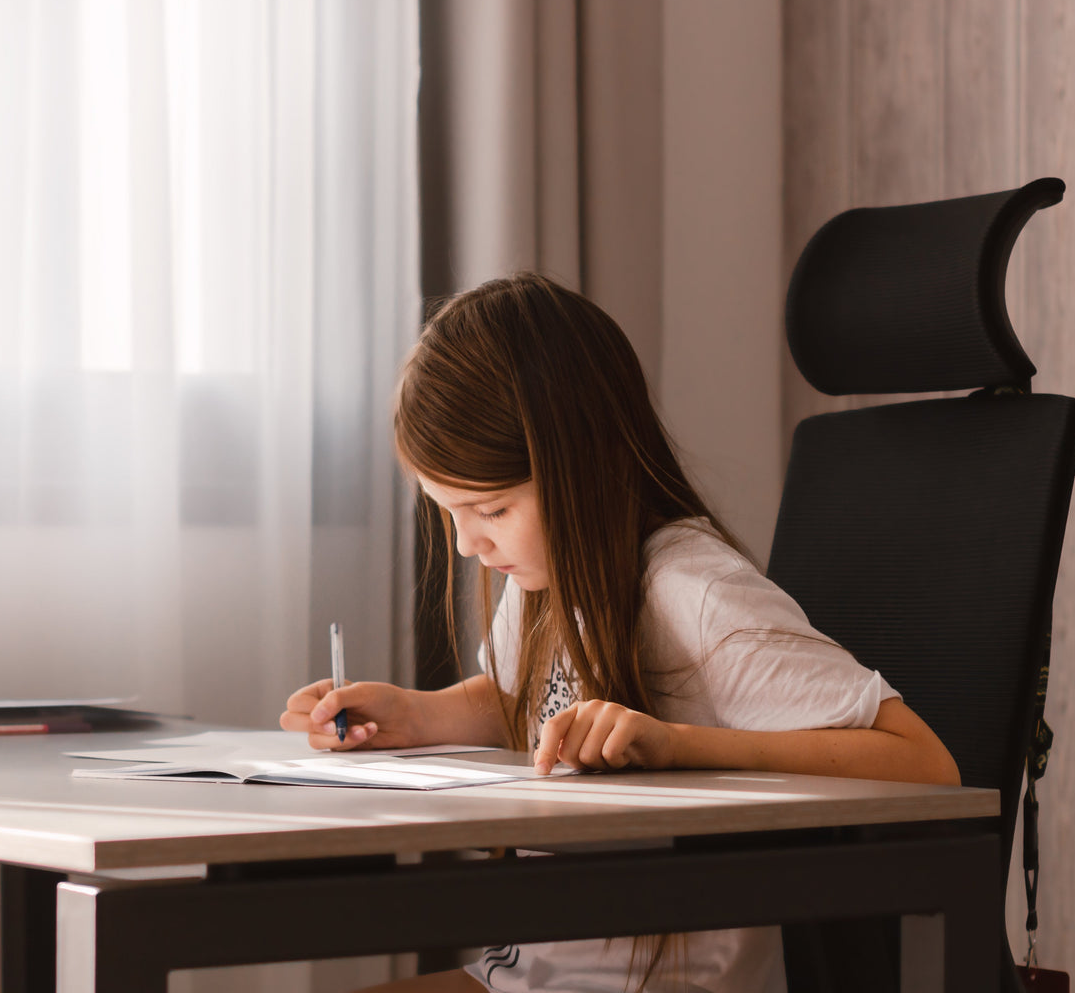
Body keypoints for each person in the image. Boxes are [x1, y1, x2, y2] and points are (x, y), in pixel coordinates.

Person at [279, 272, 960, 993]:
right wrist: (413, 714)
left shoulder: (695, 595)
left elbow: (923, 762)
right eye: (449, 512)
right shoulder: (545, 581)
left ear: (580, 466)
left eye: (492, 509)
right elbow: (522, 701)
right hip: (528, 970)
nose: (467, 545)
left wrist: (679, 747)